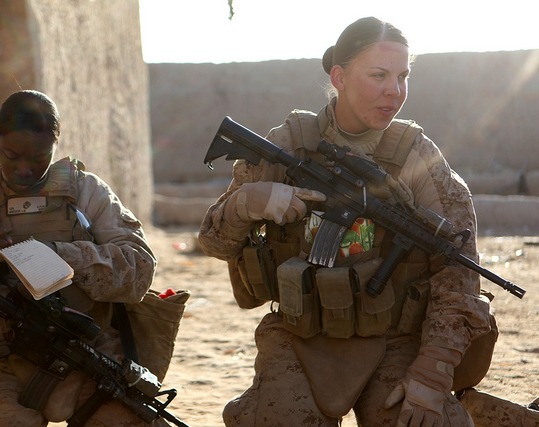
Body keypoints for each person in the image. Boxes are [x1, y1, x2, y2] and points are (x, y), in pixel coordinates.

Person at [198, 17, 494, 426]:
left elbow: (459, 277)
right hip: (301, 334)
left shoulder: (418, 158)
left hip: (395, 339)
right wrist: (247, 203)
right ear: (339, 76)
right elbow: (214, 243)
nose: (395, 90)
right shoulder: (289, 143)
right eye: (379, 75)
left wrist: (431, 373)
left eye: (403, 76)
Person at [0, 90, 164, 426]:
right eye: (11, 155)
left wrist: (61, 256)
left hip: (87, 354)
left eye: (39, 158)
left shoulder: (86, 192)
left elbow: (140, 271)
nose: (24, 170)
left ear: (55, 145)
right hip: (3, 363)